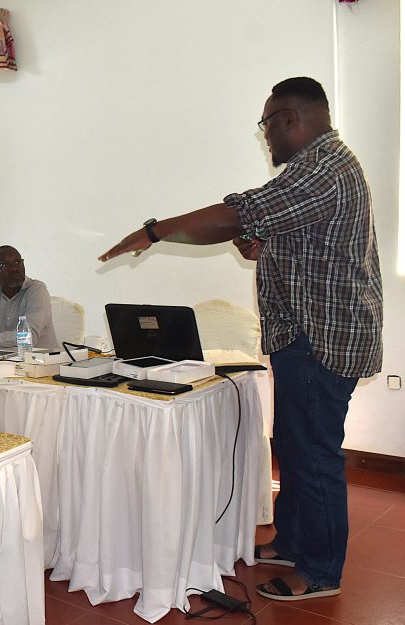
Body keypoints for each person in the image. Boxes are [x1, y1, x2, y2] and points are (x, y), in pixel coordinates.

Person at [98, 77, 382, 601]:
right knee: (296, 447)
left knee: (314, 454)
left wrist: (155, 230)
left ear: (291, 119)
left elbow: (238, 212)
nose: (266, 137)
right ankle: (296, 540)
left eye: (267, 125)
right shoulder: (318, 167)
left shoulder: (322, 169)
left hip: (322, 339)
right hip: (306, 334)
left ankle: (319, 571)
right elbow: (294, 242)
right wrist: (264, 249)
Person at [0, 245, 58, 350]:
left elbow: (28, 337)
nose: (14, 268)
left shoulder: (37, 290)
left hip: (39, 361)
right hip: (0, 361)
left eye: (17, 262)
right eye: (4, 265)